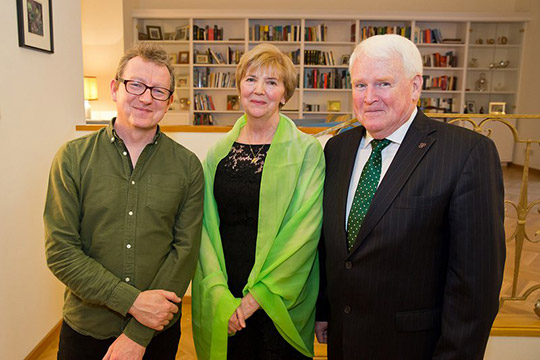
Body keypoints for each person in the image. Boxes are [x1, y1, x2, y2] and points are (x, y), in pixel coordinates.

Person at [315, 34, 505, 359]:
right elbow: (331, 245)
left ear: (415, 86)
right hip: (344, 342)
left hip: (413, 347)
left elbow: (476, 286)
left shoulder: (467, 153)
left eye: (383, 84)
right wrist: (324, 308)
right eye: (360, 85)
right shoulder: (338, 148)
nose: (369, 97)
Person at [44, 43, 204, 360]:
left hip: (158, 334)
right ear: (115, 88)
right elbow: (60, 251)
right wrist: (131, 301)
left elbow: (184, 254)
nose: (146, 97)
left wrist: (139, 335)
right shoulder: (73, 159)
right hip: (85, 330)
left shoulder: (188, 167)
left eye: (158, 91)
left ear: (170, 102)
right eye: (136, 85)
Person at [192, 43, 325, 360]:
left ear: (285, 93)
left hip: (279, 293)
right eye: (251, 79)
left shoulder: (307, 152)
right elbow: (205, 230)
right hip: (225, 292)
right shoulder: (217, 153)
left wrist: (255, 299)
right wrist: (220, 295)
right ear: (239, 86)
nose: (259, 90)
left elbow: (303, 234)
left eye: (272, 82)